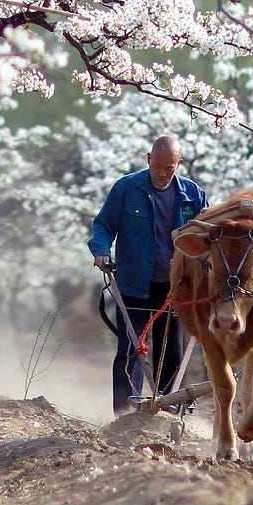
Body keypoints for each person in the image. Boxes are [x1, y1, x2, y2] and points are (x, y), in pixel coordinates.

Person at [89, 136, 209, 415]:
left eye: (171, 167)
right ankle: (124, 414)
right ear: (148, 160)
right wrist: (101, 251)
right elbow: (103, 225)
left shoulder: (193, 194)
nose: (163, 173)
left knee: (171, 353)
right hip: (134, 284)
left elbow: (207, 235)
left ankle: (168, 412)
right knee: (131, 350)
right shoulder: (127, 188)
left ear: (179, 164)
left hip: (175, 287)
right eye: (158, 166)